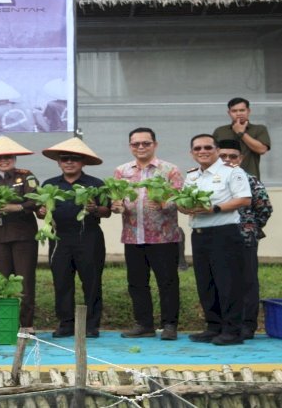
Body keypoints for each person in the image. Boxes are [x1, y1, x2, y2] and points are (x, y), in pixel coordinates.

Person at [178, 134, 251, 346]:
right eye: (197, 148)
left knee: (227, 283)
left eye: (208, 147)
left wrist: (214, 208)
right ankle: (213, 327)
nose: (203, 151)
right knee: (206, 283)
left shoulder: (232, 172)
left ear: (217, 150)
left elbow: (244, 199)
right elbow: (183, 204)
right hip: (200, 234)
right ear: (191, 153)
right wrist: (185, 207)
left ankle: (232, 331)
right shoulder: (192, 176)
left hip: (224, 233)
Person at [111, 128, 184, 341]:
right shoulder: (121, 171)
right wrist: (117, 207)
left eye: (146, 143)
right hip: (133, 236)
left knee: (168, 282)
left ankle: (170, 325)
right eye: (136, 144)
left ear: (155, 144)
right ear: (130, 146)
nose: (141, 147)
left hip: (163, 237)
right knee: (136, 283)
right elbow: (118, 200)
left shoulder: (170, 170)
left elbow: (180, 201)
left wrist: (164, 202)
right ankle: (144, 324)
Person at [39, 137, 109, 339]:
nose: (69, 162)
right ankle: (66, 323)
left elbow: (107, 211)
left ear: (83, 162)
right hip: (59, 239)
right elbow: (40, 212)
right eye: (65, 159)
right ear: (59, 162)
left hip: (89, 238)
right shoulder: (49, 184)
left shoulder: (95, 184)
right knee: (61, 282)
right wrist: (42, 211)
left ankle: (91, 325)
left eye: (74, 159)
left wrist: (95, 209)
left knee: (92, 282)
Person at [0, 136, 40, 331]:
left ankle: (26, 324)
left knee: (24, 280)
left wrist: (15, 207)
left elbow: (36, 201)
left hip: (24, 235)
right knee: (2, 280)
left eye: (8, 157)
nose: (3, 161)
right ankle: (7, 323)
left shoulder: (26, 176)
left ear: (14, 158)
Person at [217, 139, 273, 340]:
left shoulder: (251, 180)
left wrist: (251, 227)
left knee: (247, 282)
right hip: (216, 239)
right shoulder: (211, 181)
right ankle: (224, 325)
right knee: (222, 282)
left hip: (244, 238)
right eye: (223, 156)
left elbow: (264, 208)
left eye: (233, 156)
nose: (228, 160)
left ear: (240, 159)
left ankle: (247, 325)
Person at [212, 97, 271, 179]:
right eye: (234, 111)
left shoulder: (259, 129)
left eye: (242, 110)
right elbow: (213, 154)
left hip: (250, 177)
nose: (238, 113)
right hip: (222, 177)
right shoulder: (220, 131)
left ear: (248, 111)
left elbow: (262, 149)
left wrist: (241, 133)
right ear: (229, 113)